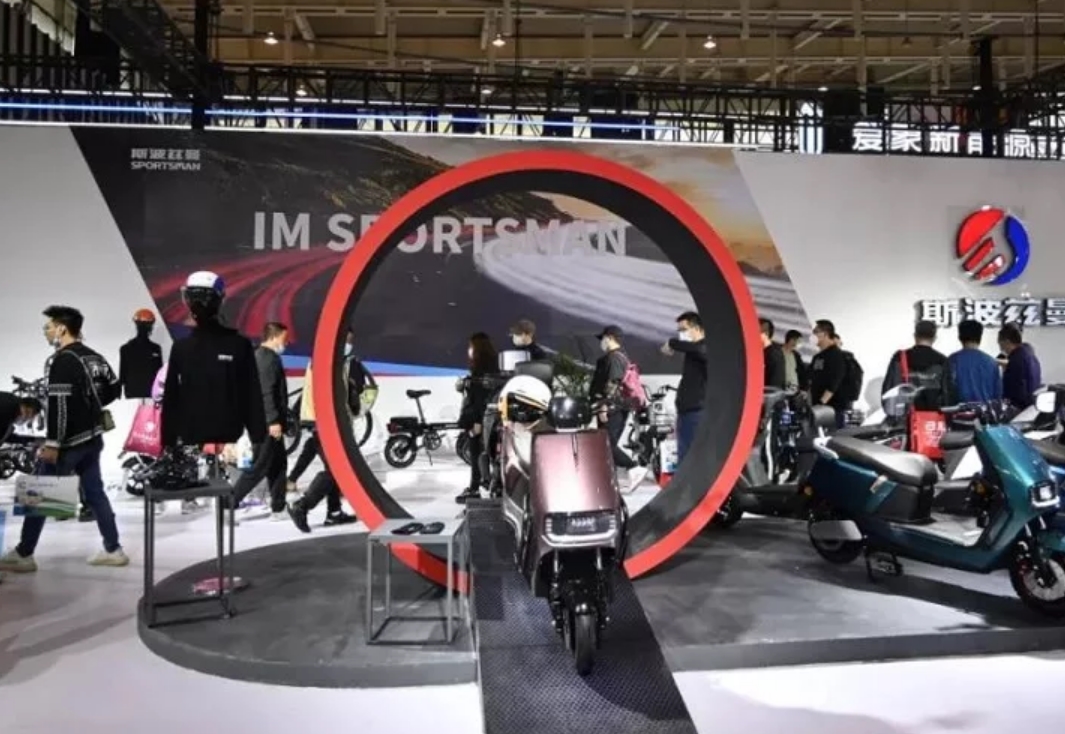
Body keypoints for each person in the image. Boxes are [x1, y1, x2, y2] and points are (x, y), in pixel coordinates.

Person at [0, 306, 127, 573]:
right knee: (95, 493)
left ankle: (24, 553)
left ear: (61, 329)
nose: (45, 332)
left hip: (69, 443)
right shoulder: (94, 356)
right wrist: (89, 406)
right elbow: (114, 389)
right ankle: (113, 549)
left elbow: (59, 406)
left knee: (38, 493)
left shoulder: (61, 360)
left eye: (48, 327)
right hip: (93, 437)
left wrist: (53, 443)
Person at [286, 333, 359, 532]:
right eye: (346, 340)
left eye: (351, 341)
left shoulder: (334, 361)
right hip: (327, 423)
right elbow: (326, 394)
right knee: (336, 470)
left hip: (329, 423)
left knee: (332, 466)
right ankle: (302, 506)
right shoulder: (325, 361)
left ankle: (334, 513)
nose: (349, 345)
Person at [230, 322, 290, 521]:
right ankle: (228, 503)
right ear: (274, 337)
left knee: (278, 465)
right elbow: (266, 393)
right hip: (266, 424)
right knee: (259, 467)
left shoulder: (263, 357)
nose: (286, 343)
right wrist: (273, 421)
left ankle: (279, 507)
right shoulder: (266, 359)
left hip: (268, 422)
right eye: (284, 338)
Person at [590, 325, 647, 489]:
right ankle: (610, 480)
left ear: (610, 338)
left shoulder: (614, 358)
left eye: (603, 339)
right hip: (618, 406)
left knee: (605, 444)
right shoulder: (621, 356)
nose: (601, 342)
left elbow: (613, 383)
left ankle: (633, 467)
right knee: (608, 444)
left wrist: (604, 405)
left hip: (613, 407)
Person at [455, 332, 500, 503]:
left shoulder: (481, 371)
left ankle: (476, 487)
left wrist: (477, 421)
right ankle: (483, 485)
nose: (469, 350)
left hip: (480, 418)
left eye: (471, 346)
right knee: (485, 453)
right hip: (489, 416)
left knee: (477, 453)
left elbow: (479, 398)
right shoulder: (494, 366)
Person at [661, 311, 708, 466]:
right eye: (679, 330)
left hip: (697, 411)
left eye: (684, 329)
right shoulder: (692, 352)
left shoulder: (705, 348)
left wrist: (672, 343)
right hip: (686, 412)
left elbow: (700, 349)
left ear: (698, 329)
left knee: (692, 458)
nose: (681, 334)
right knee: (684, 456)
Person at [882, 320, 953, 408]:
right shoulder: (942, 360)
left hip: (905, 413)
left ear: (915, 335)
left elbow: (888, 390)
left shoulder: (900, 357)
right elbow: (948, 394)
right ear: (934, 338)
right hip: (933, 414)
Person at [948, 320, 1002, 403]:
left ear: (960, 337)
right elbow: (998, 395)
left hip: (959, 410)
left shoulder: (952, 360)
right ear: (980, 337)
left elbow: (947, 392)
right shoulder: (991, 363)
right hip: (986, 409)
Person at [808, 319, 848, 427]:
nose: (813, 335)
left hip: (832, 409)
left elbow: (835, 381)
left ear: (825, 334)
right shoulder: (817, 357)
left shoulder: (836, 355)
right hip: (818, 408)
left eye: (815, 332)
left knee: (833, 435)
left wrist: (822, 402)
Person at [998, 323, 1042, 410]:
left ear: (1007, 342)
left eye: (1001, 344)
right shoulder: (1030, 355)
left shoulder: (1015, 361)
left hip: (1019, 408)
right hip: (1031, 406)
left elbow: (1014, 392)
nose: (1001, 349)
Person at [760, 318, 786, 389]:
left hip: (769, 390)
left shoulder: (774, 352)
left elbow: (776, 378)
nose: (760, 333)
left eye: (763, 331)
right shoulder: (759, 349)